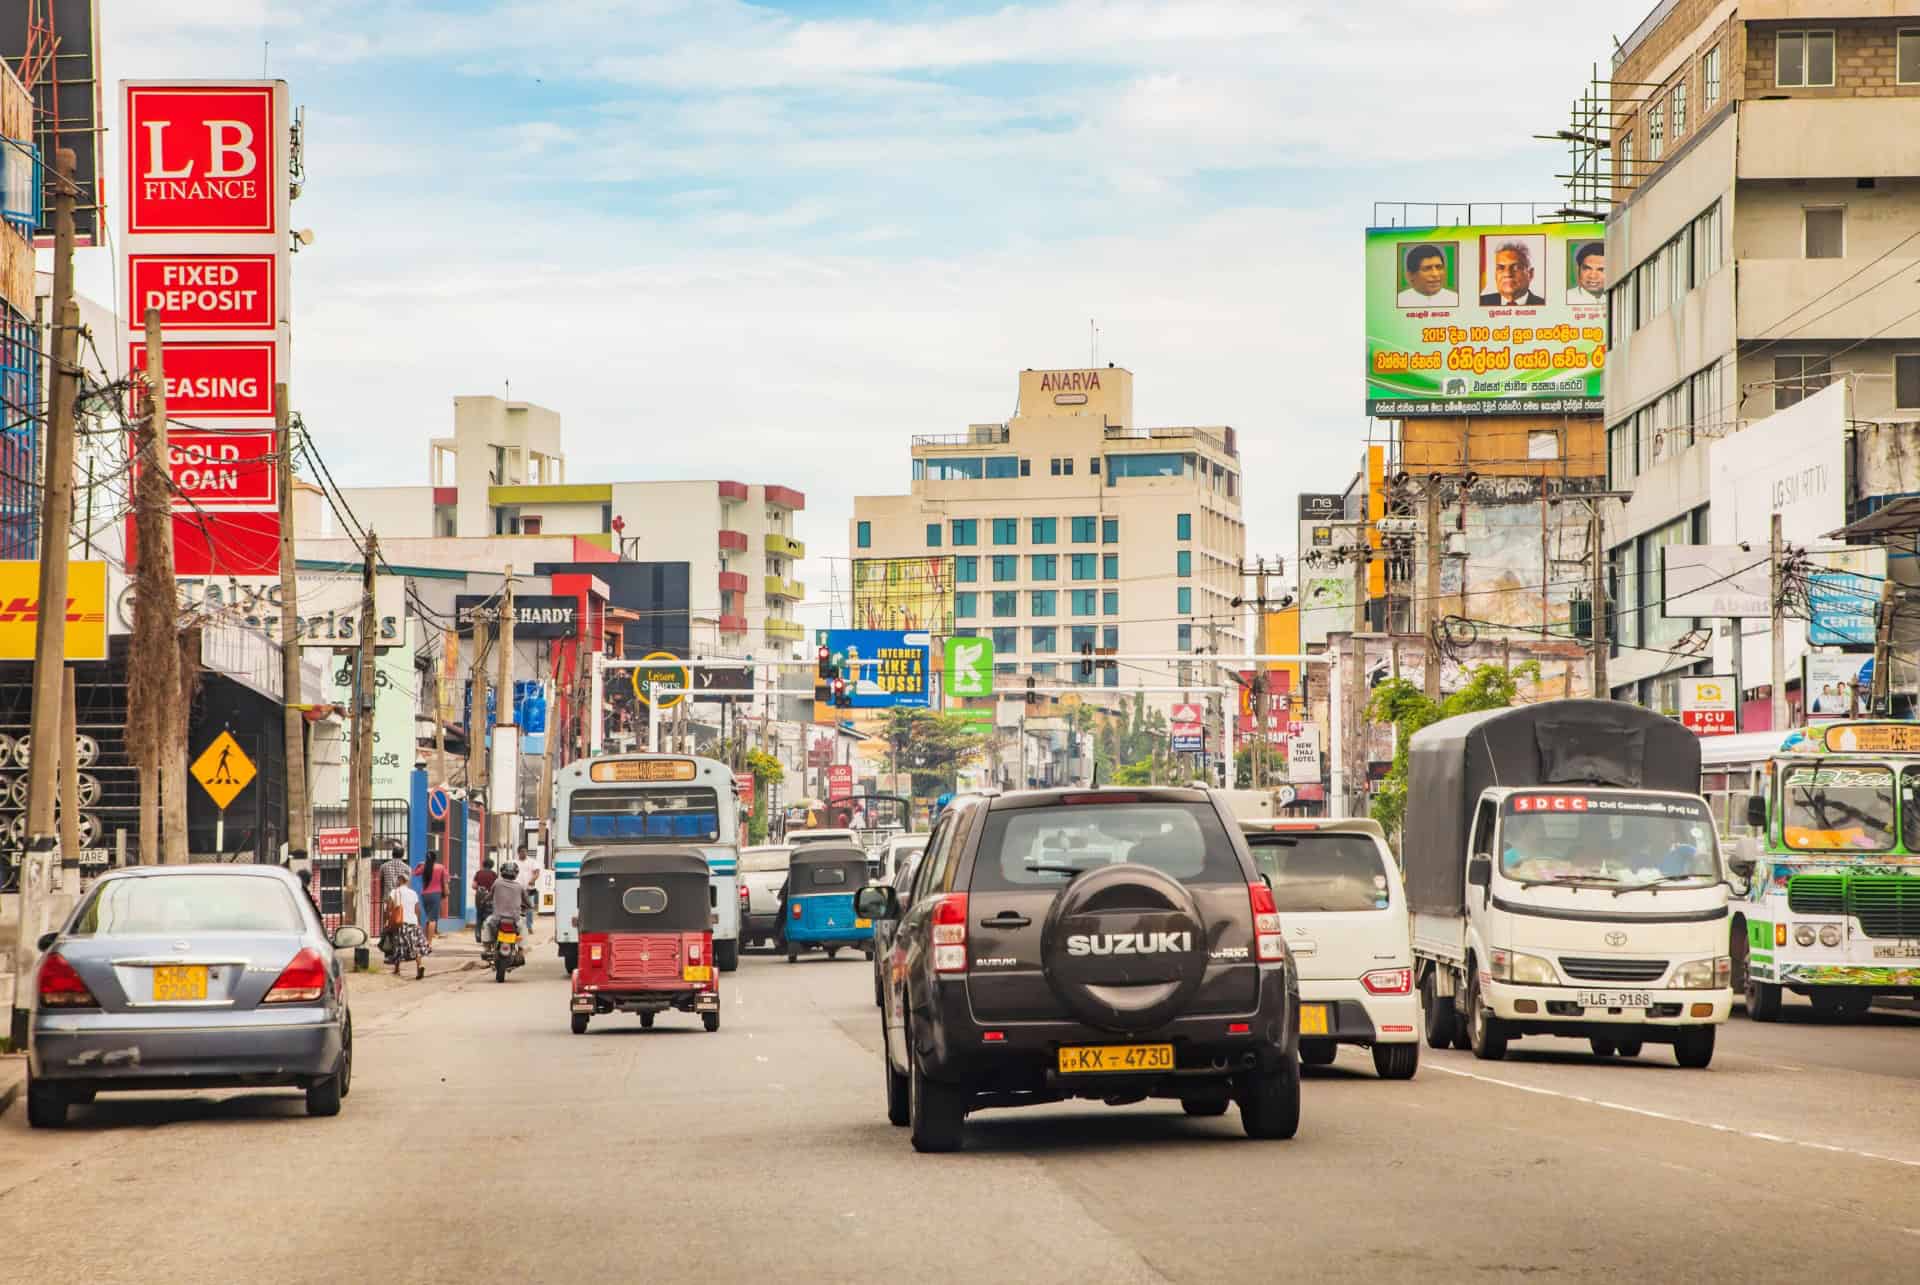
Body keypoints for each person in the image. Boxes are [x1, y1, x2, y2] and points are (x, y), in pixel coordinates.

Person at [383, 879, 429, 979]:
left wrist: (386, 920)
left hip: (401, 923)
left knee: (398, 946)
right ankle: (419, 966)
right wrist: (418, 923)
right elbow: (417, 910)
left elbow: (389, 908)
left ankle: (397, 969)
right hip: (413, 923)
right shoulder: (413, 893)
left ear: (399, 881)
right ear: (407, 882)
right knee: (415, 946)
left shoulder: (394, 892)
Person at [1479, 241, 1546, 306]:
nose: (1507, 274)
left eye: (1516, 267)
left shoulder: (1544, 305)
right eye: (1501, 268)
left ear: (1530, 274)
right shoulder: (1481, 302)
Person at [484, 860, 530, 950]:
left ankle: (487, 948)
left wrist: (483, 900)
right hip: (514, 920)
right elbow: (527, 901)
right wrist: (529, 906)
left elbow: (489, 896)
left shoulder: (497, 883)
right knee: (523, 927)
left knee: (486, 923)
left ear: (502, 872)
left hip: (497, 919)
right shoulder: (519, 887)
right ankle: (521, 950)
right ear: (516, 873)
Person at [1397, 243, 1458, 308]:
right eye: (1427, 269)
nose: (1435, 274)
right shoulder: (1400, 300)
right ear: (1410, 275)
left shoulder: (1454, 299)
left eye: (1439, 267)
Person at [413, 849, 447, 946]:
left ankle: (424, 940)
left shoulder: (424, 867)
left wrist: (419, 864)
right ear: (435, 858)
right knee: (433, 920)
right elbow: (445, 880)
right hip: (436, 894)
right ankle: (429, 942)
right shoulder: (440, 867)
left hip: (425, 895)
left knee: (428, 918)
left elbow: (415, 873)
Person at [472, 856, 499, 943]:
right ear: (492, 865)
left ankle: (478, 935)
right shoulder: (494, 874)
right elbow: (497, 887)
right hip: (490, 897)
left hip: (479, 897)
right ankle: (489, 935)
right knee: (490, 916)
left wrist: (480, 887)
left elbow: (474, 886)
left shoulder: (478, 873)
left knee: (479, 915)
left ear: (483, 864)